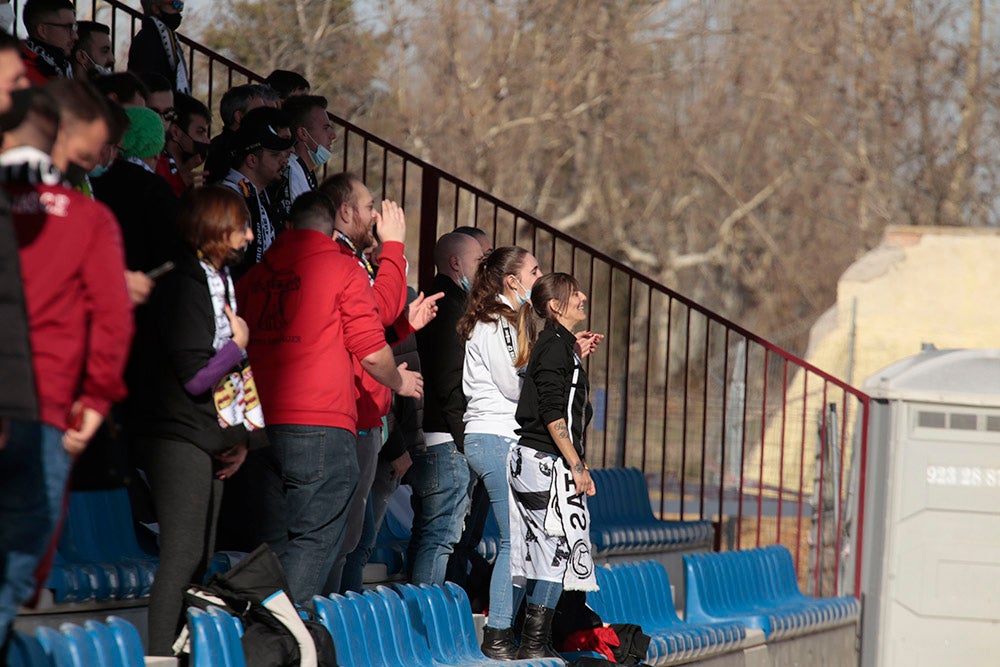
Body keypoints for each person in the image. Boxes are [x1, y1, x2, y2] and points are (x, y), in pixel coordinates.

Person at [236, 190, 423, 605]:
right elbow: (372, 347)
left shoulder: (255, 276)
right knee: (320, 538)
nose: (373, 214)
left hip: (257, 421)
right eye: (368, 205)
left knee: (274, 542)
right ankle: (287, 633)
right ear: (337, 218)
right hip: (320, 420)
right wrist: (398, 382)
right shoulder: (341, 270)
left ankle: (263, 630)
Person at [0, 82, 133, 649]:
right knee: (13, 566)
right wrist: (97, 399)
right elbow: (112, 318)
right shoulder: (86, 218)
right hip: (44, 408)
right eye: (89, 153)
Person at [133, 186, 258, 654]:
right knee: (182, 552)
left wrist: (240, 435)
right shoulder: (183, 284)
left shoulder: (219, 278)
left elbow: (226, 372)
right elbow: (193, 376)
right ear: (215, 229)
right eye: (241, 226)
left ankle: (180, 648)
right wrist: (236, 347)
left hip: (211, 433)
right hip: (176, 432)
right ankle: (160, 655)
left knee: (203, 555)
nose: (248, 236)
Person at [456, 246, 542, 658]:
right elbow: (511, 385)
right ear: (512, 280)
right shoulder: (495, 319)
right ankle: (497, 634)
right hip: (494, 436)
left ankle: (507, 629)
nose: (540, 277)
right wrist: (543, 384)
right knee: (514, 540)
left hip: (502, 435)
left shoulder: (511, 317)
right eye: (534, 270)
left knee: (522, 539)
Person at [509, 272, 600, 660]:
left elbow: (559, 395)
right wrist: (577, 465)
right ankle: (533, 641)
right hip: (545, 461)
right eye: (573, 294)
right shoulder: (553, 347)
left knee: (548, 549)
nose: (582, 297)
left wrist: (575, 358)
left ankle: (533, 636)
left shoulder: (560, 346)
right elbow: (550, 411)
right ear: (555, 307)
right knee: (557, 548)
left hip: (543, 460)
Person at [408, 231, 486, 585]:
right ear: (456, 263)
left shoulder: (459, 304)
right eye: (479, 262)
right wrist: (468, 440)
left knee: (440, 537)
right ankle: (423, 622)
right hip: (446, 442)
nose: (485, 270)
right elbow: (449, 381)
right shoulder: (447, 307)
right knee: (439, 538)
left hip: (447, 439)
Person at [220, 106, 293, 278]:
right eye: (275, 156)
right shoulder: (229, 197)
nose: (284, 161)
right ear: (252, 160)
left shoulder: (260, 194)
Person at [204, 83, 276, 184]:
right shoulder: (222, 149)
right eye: (258, 112)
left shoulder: (252, 143)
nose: (264, 117)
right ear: (239, 117)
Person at [280, 94, 334, 203]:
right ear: (303, 134)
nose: (333, 135)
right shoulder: (291, 175)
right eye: (325, 128)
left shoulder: (305, 171)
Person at [127, 0, 189, 94]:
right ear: (156, 8)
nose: (179, 10)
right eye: (175, 4)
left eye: (181, 5)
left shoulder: (167, 38)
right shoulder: (147, 39)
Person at [157, 92, 210, 196]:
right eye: (200, 132)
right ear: (176, 133)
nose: (207, 141)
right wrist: (178, 183)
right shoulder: (158, 168)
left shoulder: (185, 176)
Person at [20, 0, 76, 84]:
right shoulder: (21, 71)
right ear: (43, 31)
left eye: (75, 27)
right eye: (69, 27)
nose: (75, 36)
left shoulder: (62, 67)